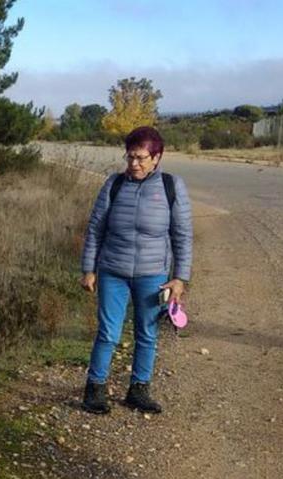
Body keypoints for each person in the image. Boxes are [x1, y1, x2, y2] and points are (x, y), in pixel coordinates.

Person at [79, 126, 193, 414]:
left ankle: (139, 390)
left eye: (141, 158)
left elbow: (182, 236)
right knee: (108, 333)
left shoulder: (171, 186)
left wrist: (180, 278)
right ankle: (94, 389)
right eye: (130, 157)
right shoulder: (114, 184)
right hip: (112, 272)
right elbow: (95, 230)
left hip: (153, 277)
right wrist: (88, 269)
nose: (134, 164)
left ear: (157, 157)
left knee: (147, 333)